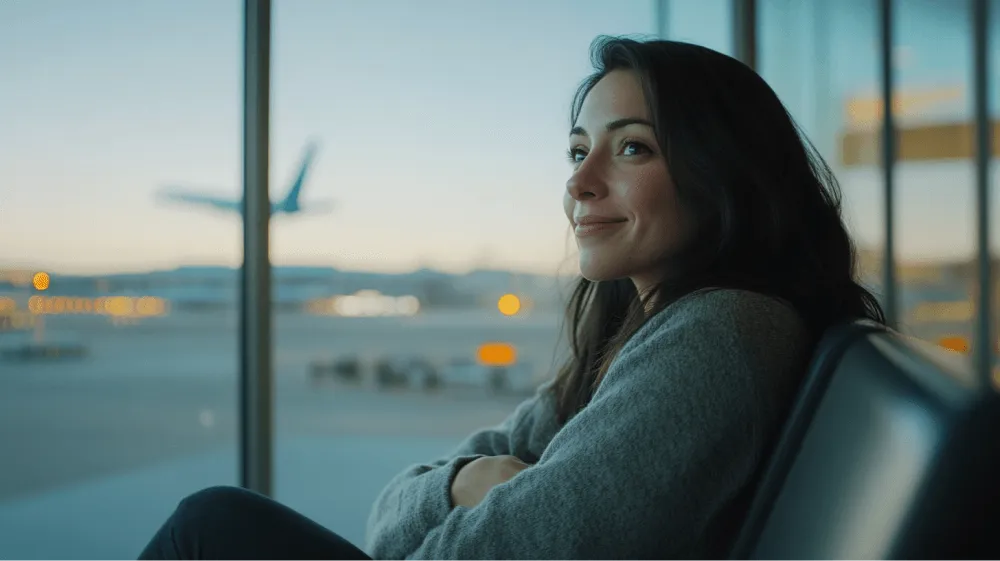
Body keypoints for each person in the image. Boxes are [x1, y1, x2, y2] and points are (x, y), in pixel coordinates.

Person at [137, 35, 885, 561]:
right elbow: (392, 515)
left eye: (631, 147)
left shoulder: (719, 333)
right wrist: (466, 481)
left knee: (211, 524)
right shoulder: (644, 330)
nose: (580, 180)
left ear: (724, 171)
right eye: (575, 149)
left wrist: (462, 498)